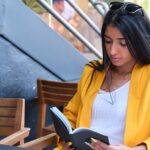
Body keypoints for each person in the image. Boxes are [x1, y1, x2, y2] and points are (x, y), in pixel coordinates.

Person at [55, 2, 150, 150]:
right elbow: (71, 114)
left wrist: (137, 149)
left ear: (139, 41)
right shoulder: (92, 71)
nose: (112, 51)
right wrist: (68, 141)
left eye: (123, 43)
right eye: (107, 41)